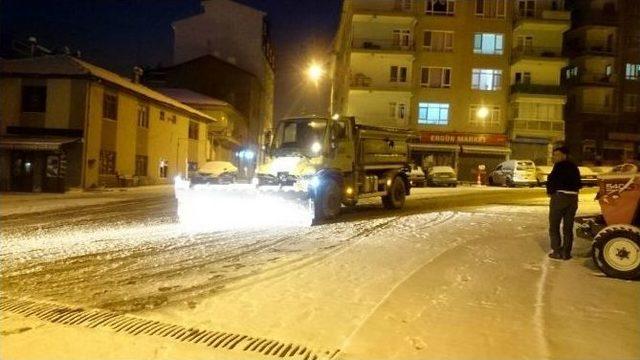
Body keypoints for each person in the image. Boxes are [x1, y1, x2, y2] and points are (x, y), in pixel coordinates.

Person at [546, 146, 582, 260]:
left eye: (557, 155)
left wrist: (550, 191)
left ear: (564, 155)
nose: (554, 157)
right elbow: (578, 183)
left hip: (560, 197)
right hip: (573, 199)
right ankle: (566, 252)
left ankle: (556, 251)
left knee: (554, 225)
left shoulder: (559, 166)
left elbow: (552, 181)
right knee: (568, 227)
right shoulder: (574, 167)